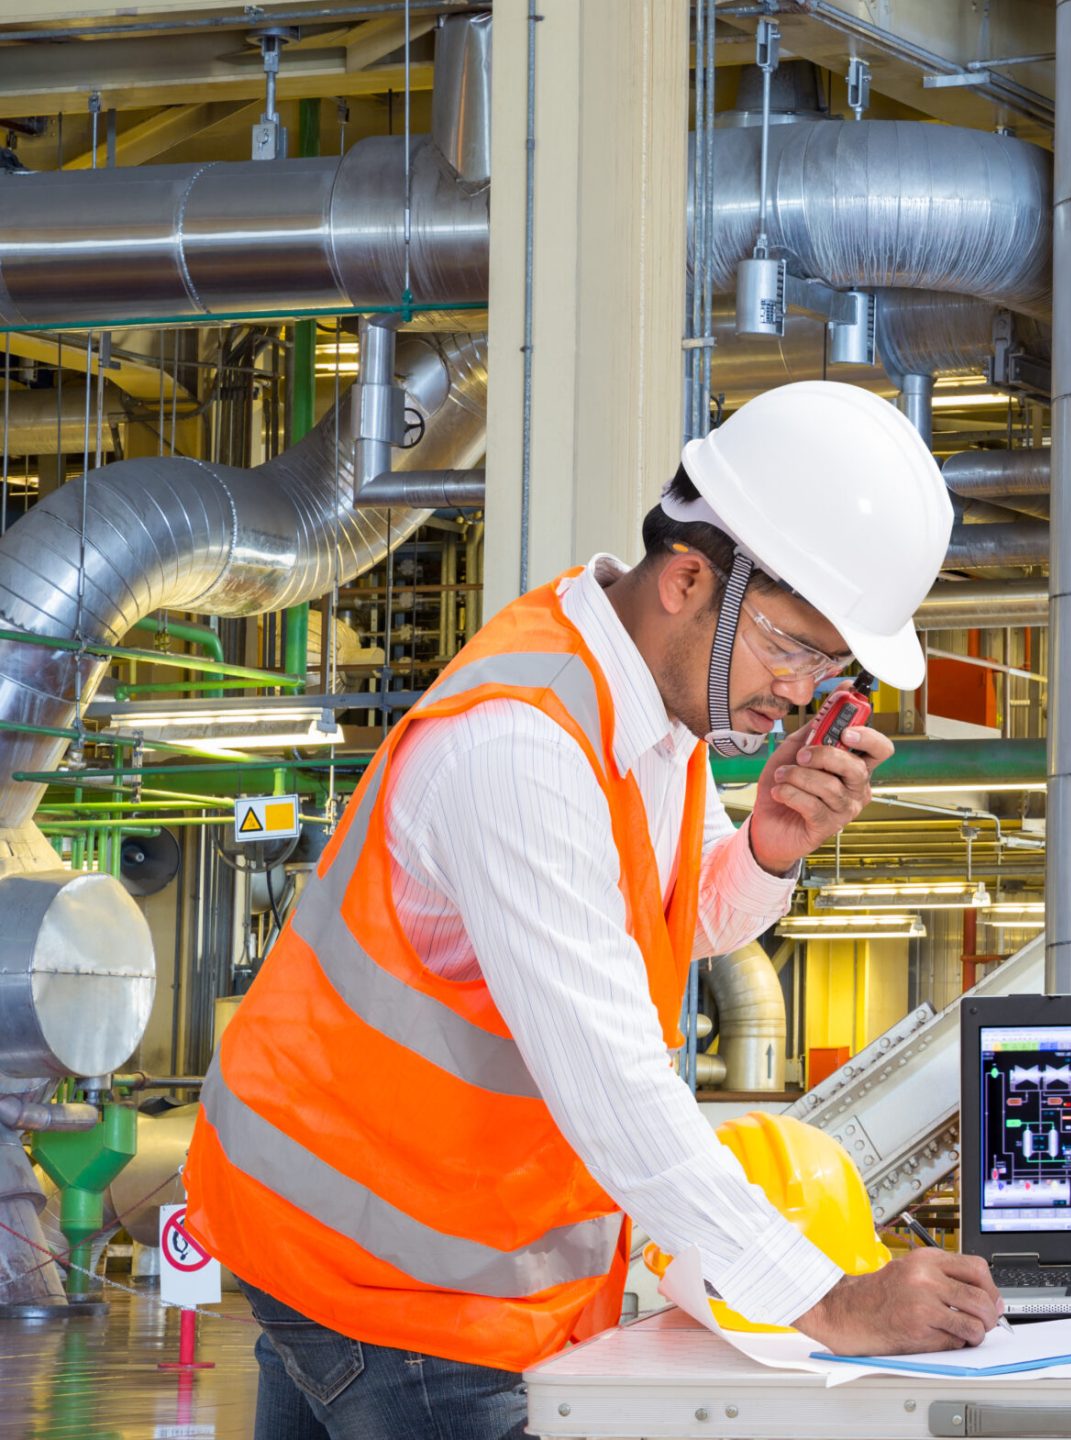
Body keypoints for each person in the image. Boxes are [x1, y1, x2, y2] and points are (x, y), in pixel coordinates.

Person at [183, 382, 1003, 1440]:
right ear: (691, 578)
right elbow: (613, 1081)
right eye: (793, 647)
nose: (802, 692)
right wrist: (825, 1298)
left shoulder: (653, 709)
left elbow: (672, 917)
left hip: (369, 1234)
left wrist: (766, 846)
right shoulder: (521, 751)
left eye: (828, 667)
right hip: (403, 1279)